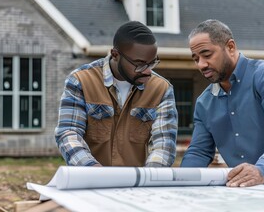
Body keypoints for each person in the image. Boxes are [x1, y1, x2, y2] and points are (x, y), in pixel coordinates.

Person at [181, 19, 264, 186]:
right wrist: (180, 182)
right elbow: (198, 152)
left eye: (207, 55)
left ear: (230, 47)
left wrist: (262, 170)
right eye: (195, 58)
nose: (201, 64)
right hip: (243, 191)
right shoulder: (204, 102)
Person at [55, 21, 178, 167]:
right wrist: (92, 169)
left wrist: (151, 175)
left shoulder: (161, 89)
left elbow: (164, 144)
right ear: (115, 55)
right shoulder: (81, 81)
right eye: (140, 64)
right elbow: (68, 133)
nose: (147, 71)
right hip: (88, 182)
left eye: (152, 63)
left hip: (136, 185)